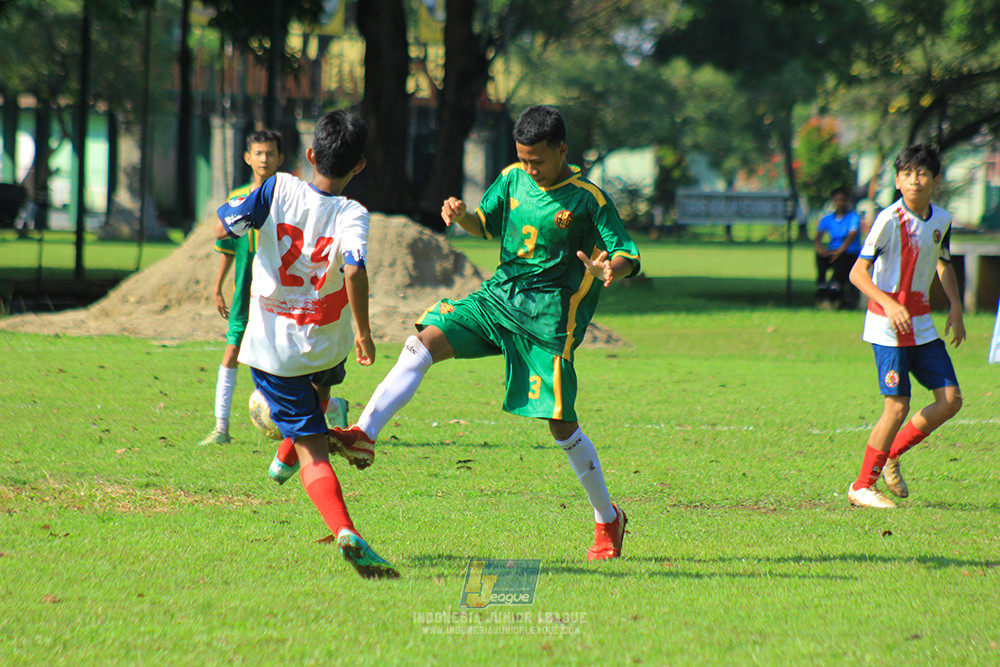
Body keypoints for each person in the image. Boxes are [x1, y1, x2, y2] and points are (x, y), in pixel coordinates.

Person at [329, 105, 641, 560]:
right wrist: (462, 217)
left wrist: (611, 268)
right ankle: (364, 433)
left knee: (560, 424)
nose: (529, 168)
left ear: (562, 151)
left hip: (548, 319)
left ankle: (607, 517)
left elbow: (627, 253)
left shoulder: (588, 199)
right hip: (498, 299)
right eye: (523, 158)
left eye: (537, 160)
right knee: (422, 342)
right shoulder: (512, 178)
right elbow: (486, 224)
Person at [214, 110, 397, 578]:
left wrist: (238, 214)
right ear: (359, 166)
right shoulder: (353, 213)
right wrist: (364, 332)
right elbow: (354, 269)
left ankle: (344, 529)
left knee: (312, 447)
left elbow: (226, 226)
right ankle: (286, 454)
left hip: (275, 350)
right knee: (319, 393)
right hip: (327, 342)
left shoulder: (277, 187)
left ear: (311, 154)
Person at [846, 143, 964, 509]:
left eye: (922, 173)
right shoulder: (888, 220)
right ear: (897, 180)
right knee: (897, 407)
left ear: (935, 180)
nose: (915, 180)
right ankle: (861, 486)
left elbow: (943, 262)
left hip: (922, 325)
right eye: (907, 174)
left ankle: (892, 454)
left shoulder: (941, 220)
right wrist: (888, 302)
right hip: (887, 326)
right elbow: (857, 273)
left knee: (950, 401)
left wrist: (956, 306)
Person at [199, 130, 284, 446]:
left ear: (280, 158)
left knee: (285, 360)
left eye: (270, 153)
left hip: (279, 293)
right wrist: (217, 287)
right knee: (232, 350)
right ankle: (220, 427)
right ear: (248, 158)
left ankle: (328, 408)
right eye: (259, 153)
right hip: (244, 293)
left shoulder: (287, 198)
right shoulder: (237, 199)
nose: (264, 159)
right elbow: (228, 248)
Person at [814, 187, 861, 310]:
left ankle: (836, 291)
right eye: (837, 200)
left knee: (841, 261)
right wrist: (820, 250)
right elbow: (818, 237)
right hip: (833, 251)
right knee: (820, 258)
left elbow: (851, 236)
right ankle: (822, 285)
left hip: (849, 252)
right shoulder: (827, 219)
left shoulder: (853, 217)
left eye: (842, 200)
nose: (839, 203)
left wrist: (839, 251)